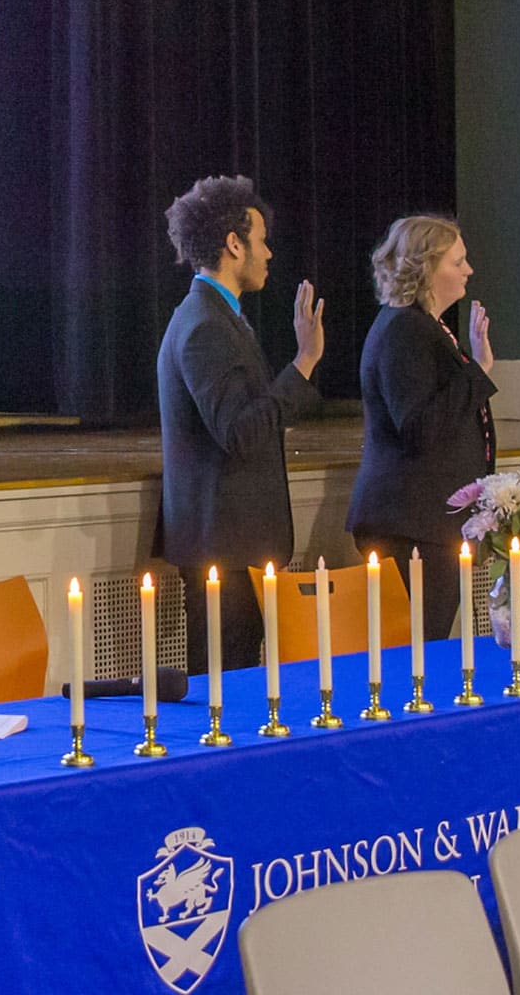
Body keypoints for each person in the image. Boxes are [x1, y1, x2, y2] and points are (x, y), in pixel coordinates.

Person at [157, 175, 324, 672]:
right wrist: (305, 364)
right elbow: (241, 434)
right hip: (223, 553)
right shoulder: (206, 325)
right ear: (234, 245)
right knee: (224, 699)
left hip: (231, 546)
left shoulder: (216, 315)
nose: (269, 252)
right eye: (261, 240)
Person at [347, 215, 497, 641]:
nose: (468, 270)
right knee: (416, 653)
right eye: (458, 261)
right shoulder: (405, 330)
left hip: (425, 522)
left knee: (426, 647)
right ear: (426, 267)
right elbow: (420, 426)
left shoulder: (422, 326)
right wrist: (479, 372)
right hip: (411, 522)